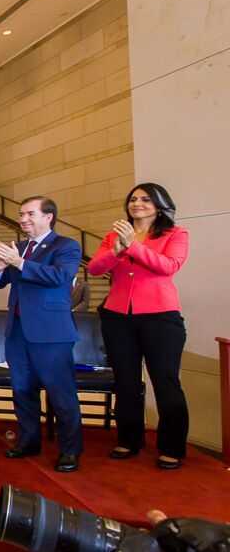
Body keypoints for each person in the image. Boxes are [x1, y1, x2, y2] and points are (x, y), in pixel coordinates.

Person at [87, 183, 190, 470]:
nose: (137, 203)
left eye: (146, 199)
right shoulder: (113, 236)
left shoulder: (176, 234)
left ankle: (172, 447)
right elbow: (95, 268)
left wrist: (133, 244)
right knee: (126, 381)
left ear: (159, 205)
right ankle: (129, 440)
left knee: (165, 382)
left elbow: (168, 266)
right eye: (133, 199)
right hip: (118, 316)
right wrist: (118, 249)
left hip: (161, 317)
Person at [0, 196, 84, 472]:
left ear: (48, 217)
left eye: (30, 214)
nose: (23, 219)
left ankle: (70, 450)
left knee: (61, 394)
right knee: (21, 390)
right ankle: (28, 441)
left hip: (51, 333)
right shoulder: (18, 247)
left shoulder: (66, 246)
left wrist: (19, 263)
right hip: (18, 332)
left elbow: (60, 277)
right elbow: (3, 281)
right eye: (21, 215)